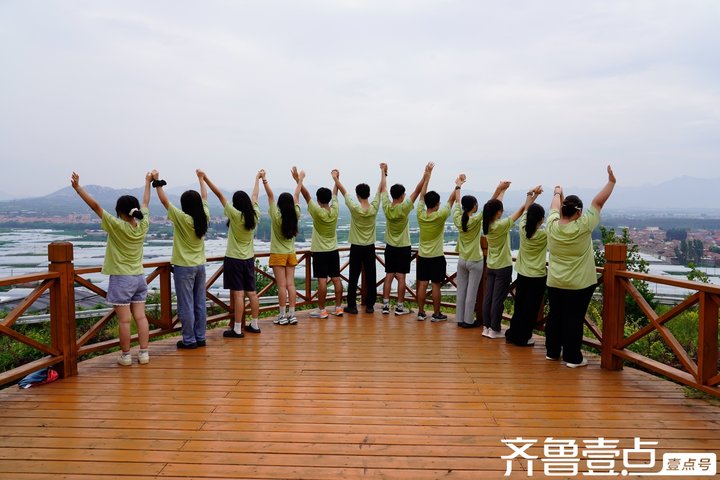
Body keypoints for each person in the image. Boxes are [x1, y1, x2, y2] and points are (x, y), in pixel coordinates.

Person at [71, 171, 152, 366]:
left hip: (121, 278)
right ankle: (144, 354)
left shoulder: (116, 225)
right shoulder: (143, 225)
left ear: (120, 211)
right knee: (141, 317)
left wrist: (78, 188)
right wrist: (148, 182)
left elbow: (95, 206)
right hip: (139, 277)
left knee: (124, 321)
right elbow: (146, 202)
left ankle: (126, 356)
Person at [545, 166, 616, 368]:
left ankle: (552, 352)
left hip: (555, 281)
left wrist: (557, 192)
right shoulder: (583, 226)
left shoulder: (551, 225)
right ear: (578, 212)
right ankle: (572, 357)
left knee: (555, 316)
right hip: (579, 283)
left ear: (562, 210)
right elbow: (598, 202)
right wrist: (611, 182)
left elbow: (554, 206)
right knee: (574, 319)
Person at [201, 169, 262, 337]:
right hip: (248, 259)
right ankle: (255, 324)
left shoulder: (235, 215)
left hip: (234, 259)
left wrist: (205, 178)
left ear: (236, 204)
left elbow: (219, 195)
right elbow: (255, 196)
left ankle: (237, 328)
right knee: (252, 293)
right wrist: (258, 178)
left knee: (239, 294)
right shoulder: (255, 216)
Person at [154, 170, 210, 349]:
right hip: (200, 266)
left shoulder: (182, 218)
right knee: (199, 303)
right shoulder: (204, 216)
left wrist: (156, 182)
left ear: (184, 205)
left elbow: (164, 202)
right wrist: (201, 179)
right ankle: (200, 337)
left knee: (186, 305)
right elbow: (204, 196)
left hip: (184, 267)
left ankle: (189, 340)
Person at [481, 181, 537, 338]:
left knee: (488, 298)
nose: (503, 211)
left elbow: (493, 206)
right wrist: (531, 195)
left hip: (491, 265)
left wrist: (503, 190)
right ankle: (494, 329)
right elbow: (522, 211)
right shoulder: (501, 225)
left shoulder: (486, 224)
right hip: (503, 266)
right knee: (498, 299)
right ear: (497, 213)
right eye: (501, 210)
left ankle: (486, 327)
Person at [295, 168, 343, 319]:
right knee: (336, 278)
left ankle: (322, 310)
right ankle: (338, 307)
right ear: (328, 199)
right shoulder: (335, 210)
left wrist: (299, 180)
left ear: (318, 199)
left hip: (320, 251)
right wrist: (336, 179)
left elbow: (306, 195)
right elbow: (335, 194)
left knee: (322, 280)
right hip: (333, 250)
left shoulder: (317, 212)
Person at [332, 168, 382, 314]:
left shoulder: (355, 208)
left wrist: (335, 178)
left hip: (356, 247)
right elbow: (380, 190)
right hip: (369, 247)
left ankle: (352, 305)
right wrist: (383, 173)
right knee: (371, 276)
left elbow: (344, 192)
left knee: (353, 276)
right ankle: (370, 305)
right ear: (368, 194)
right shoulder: (374, 208)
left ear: (358, 195)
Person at [379, 163, 426, 315]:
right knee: (401, 277)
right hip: (404, 246)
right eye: (404, 194)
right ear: (401, 196)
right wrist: (425, 175)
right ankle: (399, 307)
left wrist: (383, 172)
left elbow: (383, 188)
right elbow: (417, 191)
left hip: (390, 246)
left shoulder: (387, 207)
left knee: (389, 275)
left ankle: (385, 306)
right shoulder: (404, 208)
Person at [262, 169, 304, 325]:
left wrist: (264, 179)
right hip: (291, 254)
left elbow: (270, 196)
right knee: (291, 285)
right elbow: (296, 196)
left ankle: (282, 315)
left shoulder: (276, 216)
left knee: (281, 286)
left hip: (277, 254)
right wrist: (300, 179)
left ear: (279, 204)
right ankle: (292, 314)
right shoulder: (296, 215)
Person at [415, 162, 456, 321]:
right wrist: (458, 185)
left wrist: (427, 177)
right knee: (436, 285)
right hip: (437, 256)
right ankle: (437, 314)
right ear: (437, 204)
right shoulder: (440, 216)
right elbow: (451, 200)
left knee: (422, 284)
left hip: (423, 256)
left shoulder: (420, 214)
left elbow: (421, 195)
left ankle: (420, 312)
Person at [505, 188, 546, 346]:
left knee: (520, 305)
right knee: (530, 309)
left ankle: (513, 333)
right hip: (537, 276)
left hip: (522, 274)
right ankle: (524, 337)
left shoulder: (523, 229)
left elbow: (527, 209)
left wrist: (531, 194)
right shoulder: (544, 235)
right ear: (541, 219)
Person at [453, 174, 484, 328]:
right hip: (475, 260)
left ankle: (459, 319)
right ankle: (468, 321)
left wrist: (458, 185)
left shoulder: (458, 218)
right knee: (471, 293)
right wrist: (499, 190)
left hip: (462, 260)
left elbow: (457, 201)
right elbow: (490, 206)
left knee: (461, 291)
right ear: (474, 206)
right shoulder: (475, 220)